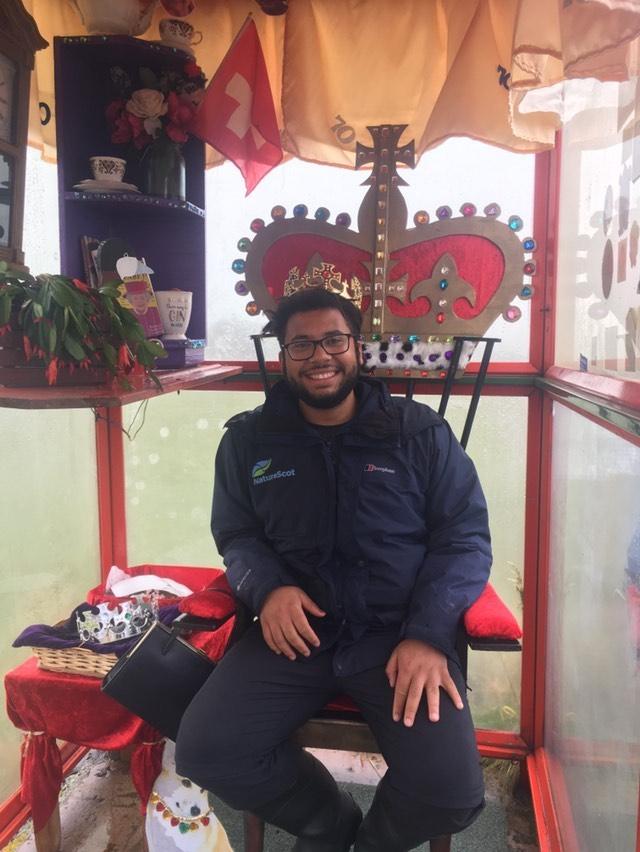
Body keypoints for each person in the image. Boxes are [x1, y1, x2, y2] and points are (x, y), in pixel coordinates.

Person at [176, 286, 492, 851]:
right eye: (301, 344)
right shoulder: (250, 441)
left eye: (333, 340)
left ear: (357, 348)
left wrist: (428, 633)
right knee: (207, 751)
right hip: (293, 635)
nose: (320, 356)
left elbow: (464, 540)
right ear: (283, 356)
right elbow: (238, 534)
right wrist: (269, 590)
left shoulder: (419, 434)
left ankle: (366, 844)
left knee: (451, 792)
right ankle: (329, 821)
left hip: (394, 638)